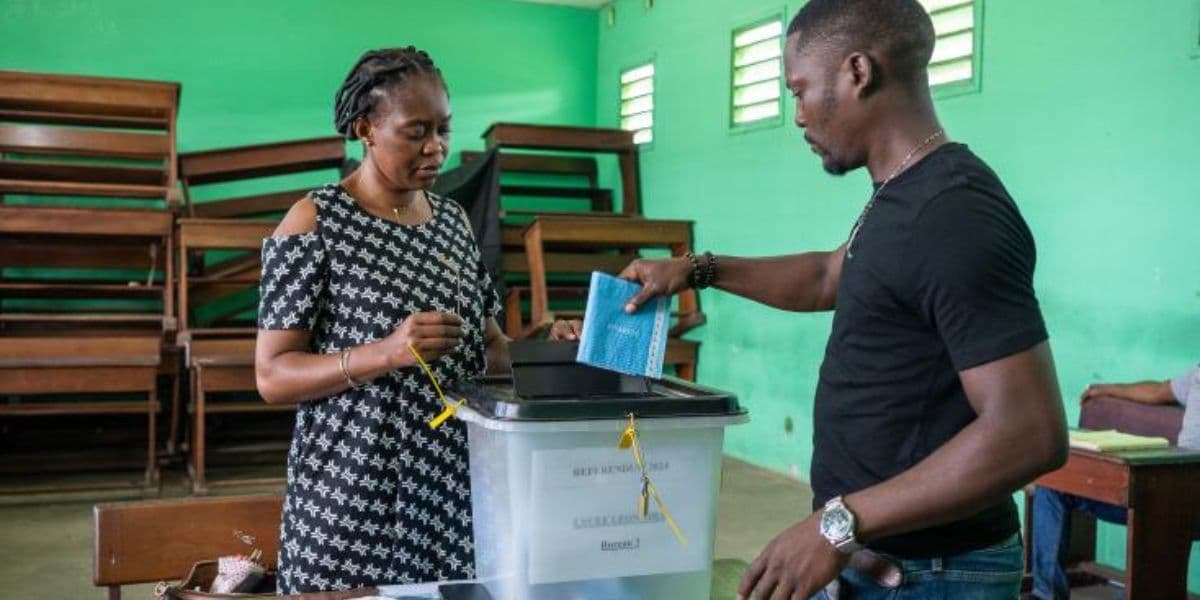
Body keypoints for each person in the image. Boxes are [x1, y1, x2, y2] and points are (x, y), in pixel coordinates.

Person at [609, 1, 1069, 597]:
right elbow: (830, 275)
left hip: (934, 574)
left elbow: (1029, 432)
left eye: (800, 90)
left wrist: (837, 526)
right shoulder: (902, 192)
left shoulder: (952, 212)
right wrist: (697, 269)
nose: (797, 115)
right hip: (883, 559)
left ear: (858, 71)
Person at [255, 47, 511, 593]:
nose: (436, 147)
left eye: (443, 129)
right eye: (416, 132)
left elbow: (490, 347)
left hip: (450, 493)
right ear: (365, 129)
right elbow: (272, 376)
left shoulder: (453, 221)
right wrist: (385, 353)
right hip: (350, 499)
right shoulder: (315, 221)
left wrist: (550, 348)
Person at [1030, 365, 1200, 599]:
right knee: (1054, 485)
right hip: (1164, 490)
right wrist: (1106, 389)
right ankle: (1046, 594)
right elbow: (1159, 391)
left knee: (1159, 509)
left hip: (1180, 502)